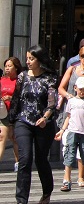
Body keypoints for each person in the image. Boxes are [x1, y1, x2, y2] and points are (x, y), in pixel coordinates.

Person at [9, 45, 59, 204]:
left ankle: (46, 192)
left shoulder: (49, 78)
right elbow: (16, 100)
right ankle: (21, 200)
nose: (28, 61)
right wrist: (11, 123)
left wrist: (45, 117)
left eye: (31, 58)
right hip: (23, 121)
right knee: (25, 159)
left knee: (41, 160)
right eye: (27, 58)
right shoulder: (22, 76)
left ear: (39, 59)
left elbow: (52, 103)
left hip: (43, 123)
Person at [56, 44, 84, 186]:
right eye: (83, 56)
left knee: (83, 146)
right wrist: (69, 96)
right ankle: (67, 177)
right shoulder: (72, 69)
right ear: (79, 56)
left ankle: (82, 176)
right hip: (71, 110)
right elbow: (60, 88)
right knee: (69, 146)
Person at [54, 76, 84, 191]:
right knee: (69, 155)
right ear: (75, 88)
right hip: (73, 131)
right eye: (81, 89)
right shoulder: (71, 101)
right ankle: (67, 179)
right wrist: (62, 130)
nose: (83, 92)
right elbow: (68, 117)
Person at [1, 57, 23, 172]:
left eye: (10, 66)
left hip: (16, 112)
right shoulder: (2, 80)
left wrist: (12, 98)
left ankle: (18, 162)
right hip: (4, 113)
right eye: (6, 66)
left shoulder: (20, 81)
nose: (7, 68)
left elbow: (22, 97)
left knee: (14, 138)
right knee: (4, 137)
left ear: (16, 67)